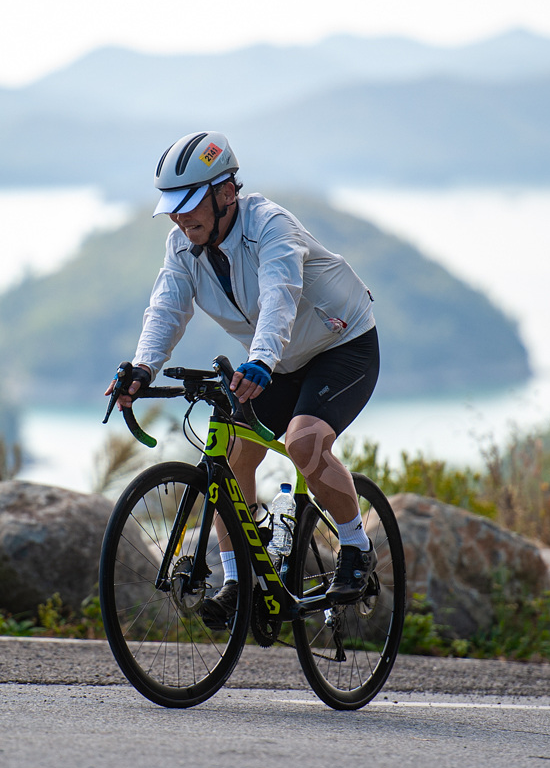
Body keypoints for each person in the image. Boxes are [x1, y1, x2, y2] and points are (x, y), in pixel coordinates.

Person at [106, 130, 381, 630]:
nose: (178, 217)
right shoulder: (182, 245)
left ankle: (357, 549)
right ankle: (238, 582)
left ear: (226, 193)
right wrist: (143, 367)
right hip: (276, 358)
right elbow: (166, 308)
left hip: (342, 345)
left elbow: (280, 295)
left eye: (189, 203)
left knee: (304, 442)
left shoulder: (270, 226)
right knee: (232, 455)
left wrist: (261, 360)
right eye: (172, 206)